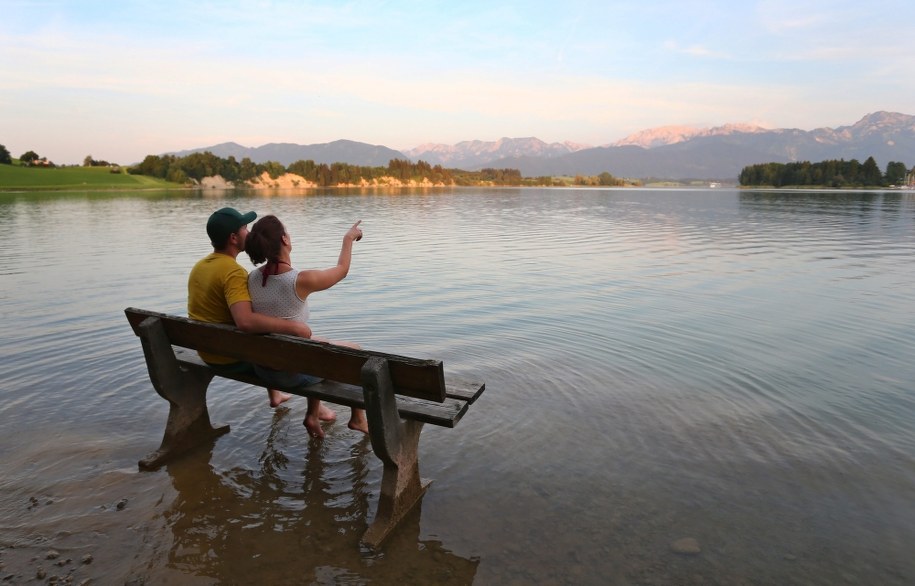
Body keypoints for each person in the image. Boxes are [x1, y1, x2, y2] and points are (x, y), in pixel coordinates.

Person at [188, 207, 334, 415]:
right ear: (233, 238)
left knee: (267, 325)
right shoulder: (234, 273)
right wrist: (294, 326)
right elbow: (245, 322)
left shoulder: (200, 266)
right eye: (245, 228)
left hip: (206, 350)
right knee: (293, 343)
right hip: (230, 358)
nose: (249, 233)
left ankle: (275, 396)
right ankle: (317, 409)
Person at [244, 214, 368, 439]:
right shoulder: (300, 280)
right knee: (356, 351)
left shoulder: (251, 278)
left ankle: (313, 415)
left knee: (310, 345)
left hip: (263, 369)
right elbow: (342, 270)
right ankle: (358, 418)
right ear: (284, 240)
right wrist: (348, 239)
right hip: (290, 374)